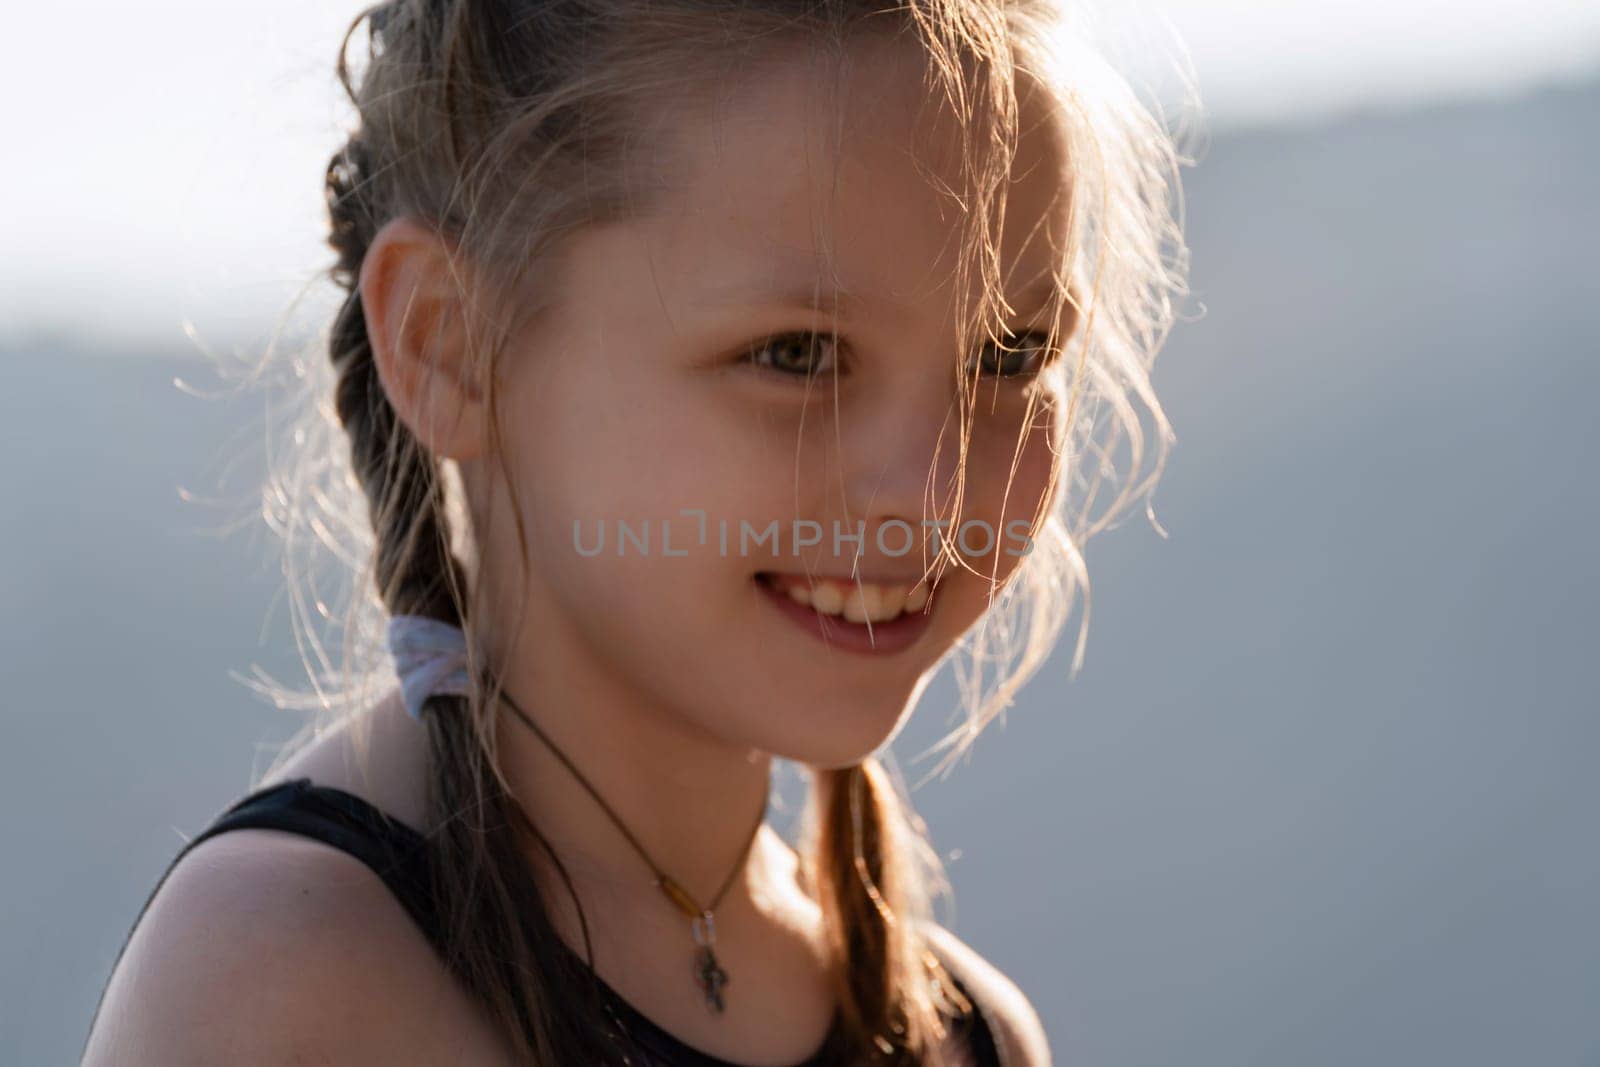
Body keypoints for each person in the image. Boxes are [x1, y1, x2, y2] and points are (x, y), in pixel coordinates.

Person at [82, 0, 1191, 1063]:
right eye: (795, 354)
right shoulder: (284, 982)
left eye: (1010, 357)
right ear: (447, 343)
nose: (933, 495)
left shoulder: (970, 1038)